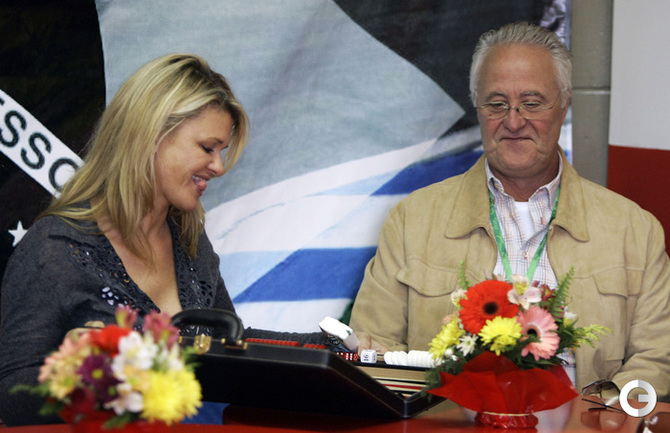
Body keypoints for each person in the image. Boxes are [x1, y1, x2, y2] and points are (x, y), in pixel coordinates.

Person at [349, 22, 670, 402]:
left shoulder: (634, 230)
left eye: (532, 103)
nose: (514, 121)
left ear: (564, 105)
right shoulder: (411, 221)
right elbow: (374, 350)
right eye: (497, 104)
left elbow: (655, 361)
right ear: (478, 108)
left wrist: (595, 417)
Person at [0, 54, 323, 426]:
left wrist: (333, 350)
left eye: (221, 151)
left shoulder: (187, 238)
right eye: (207, 148)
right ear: (151, 136)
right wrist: (89, 376)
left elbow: (227, 344)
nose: (219, 167)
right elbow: (10, 397)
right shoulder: (54, 248)